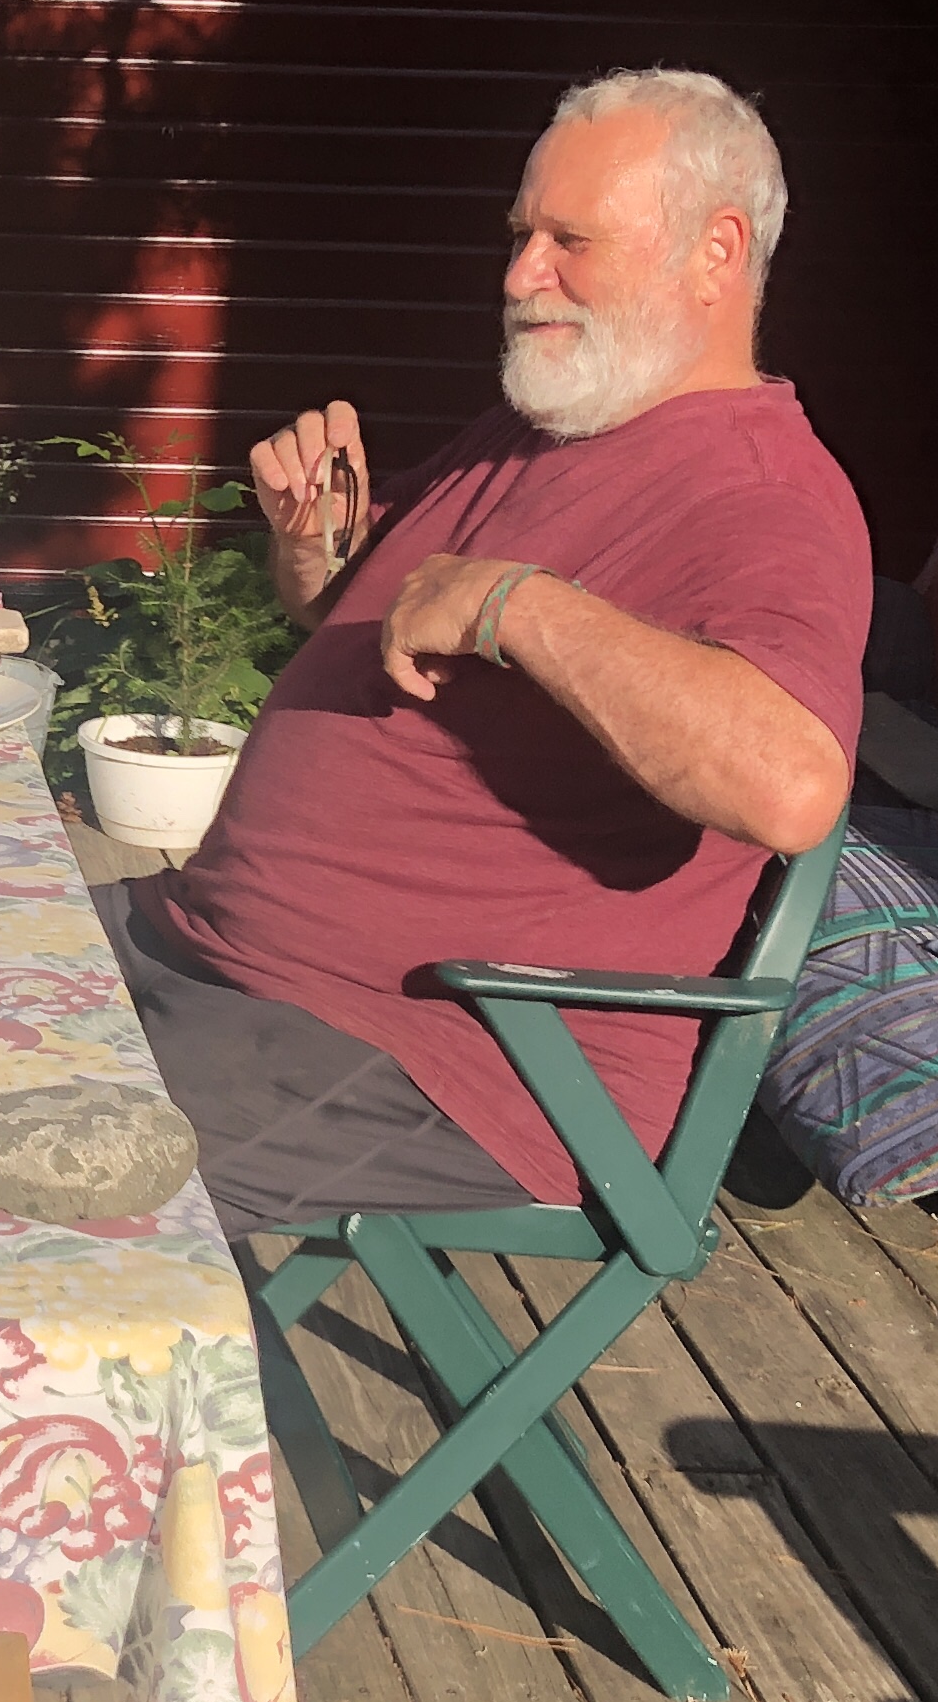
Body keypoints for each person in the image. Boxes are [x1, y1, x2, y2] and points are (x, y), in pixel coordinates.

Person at [104, 67, 870, 1239]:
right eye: (521, 237)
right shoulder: (542, 429)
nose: (520, 277)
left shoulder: (762, 495)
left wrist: (520, 605)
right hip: (214, 956)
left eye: (570, 241)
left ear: (716, 253)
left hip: (433, 1062)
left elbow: (791, 784)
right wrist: (311, 545)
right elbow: (357, 615)